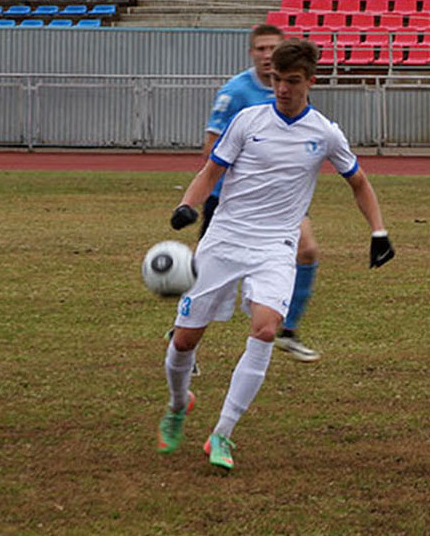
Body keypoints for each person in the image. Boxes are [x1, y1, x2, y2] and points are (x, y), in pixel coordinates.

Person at [158, 39, 394, 471]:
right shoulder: (249, 120)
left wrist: (379, 232)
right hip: (225, 239)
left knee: (266, 330)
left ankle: (222, 435)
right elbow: (212, 169)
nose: (282, 89)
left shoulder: (325, 133)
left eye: (291, 81)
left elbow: (358, 182)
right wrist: (187, 206)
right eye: (276, 80)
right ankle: (178, 403)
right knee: (185, 339)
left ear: (310, 81)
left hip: (275, 246)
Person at [201, 23, 321, 362]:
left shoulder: (293, 85)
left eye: (273, 48)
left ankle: (288, 331)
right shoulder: (234, 92)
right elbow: (212, 146)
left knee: (308, 250)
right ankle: (182, 334)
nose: (267, 55)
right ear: (251, 52)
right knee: (214, 280)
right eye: (261, 49)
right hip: (234, 202)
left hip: (282, 202)